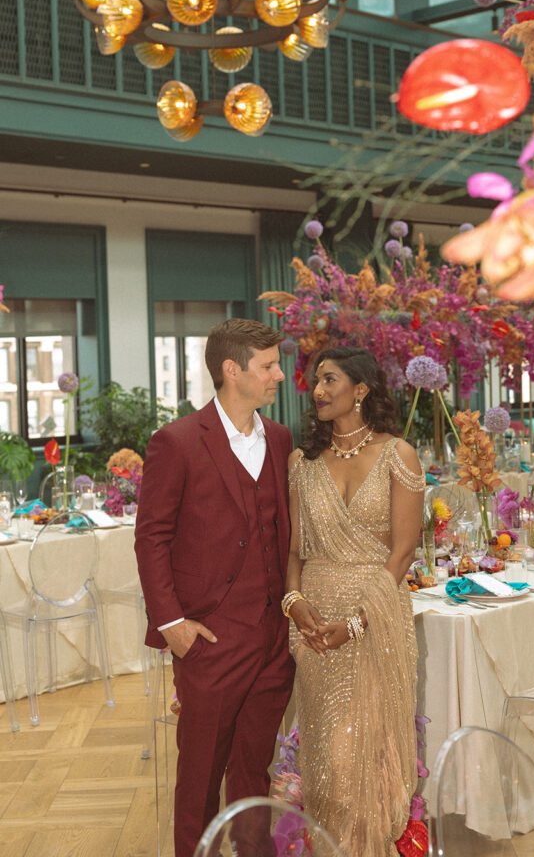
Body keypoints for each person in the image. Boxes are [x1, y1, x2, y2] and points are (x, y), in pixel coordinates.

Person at [135, 318, 295, 857]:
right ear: (232, 370)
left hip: (274, 638)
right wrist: (173, 624)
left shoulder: (279, 438)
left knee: (255, 766)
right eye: (268, 365)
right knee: (201, 774)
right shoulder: (177, 442)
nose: (278, 375)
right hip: (210, 638)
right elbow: (151, 536)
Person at [284, 345, 425, 856]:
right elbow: (295, 549)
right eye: (316, 381)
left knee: (367, 756)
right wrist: (295, 603)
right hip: (316, 630)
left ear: (360, 389)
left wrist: (359, 622)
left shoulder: (398, 454)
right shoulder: (302, 462)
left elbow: (404, 551)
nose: (318, 391)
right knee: (326, 761)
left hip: (375, 621)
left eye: (329, 379)